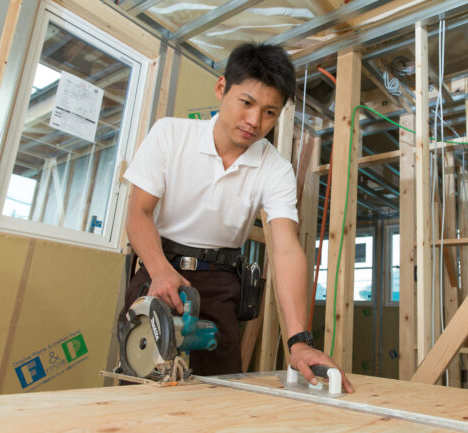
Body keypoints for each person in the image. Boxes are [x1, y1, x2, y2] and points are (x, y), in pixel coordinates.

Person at [121, 43, 353, 393]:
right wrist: (159, 270)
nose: (254, 122)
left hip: (220, 287)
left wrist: (299, 341)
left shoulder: (276, 168)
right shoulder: (169, 134)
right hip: (157, 272)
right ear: (221, 89)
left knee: (220, 396)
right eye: (246, 103)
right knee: (139, 393)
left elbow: (286, 248)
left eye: (270, 112)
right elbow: (138, 213)